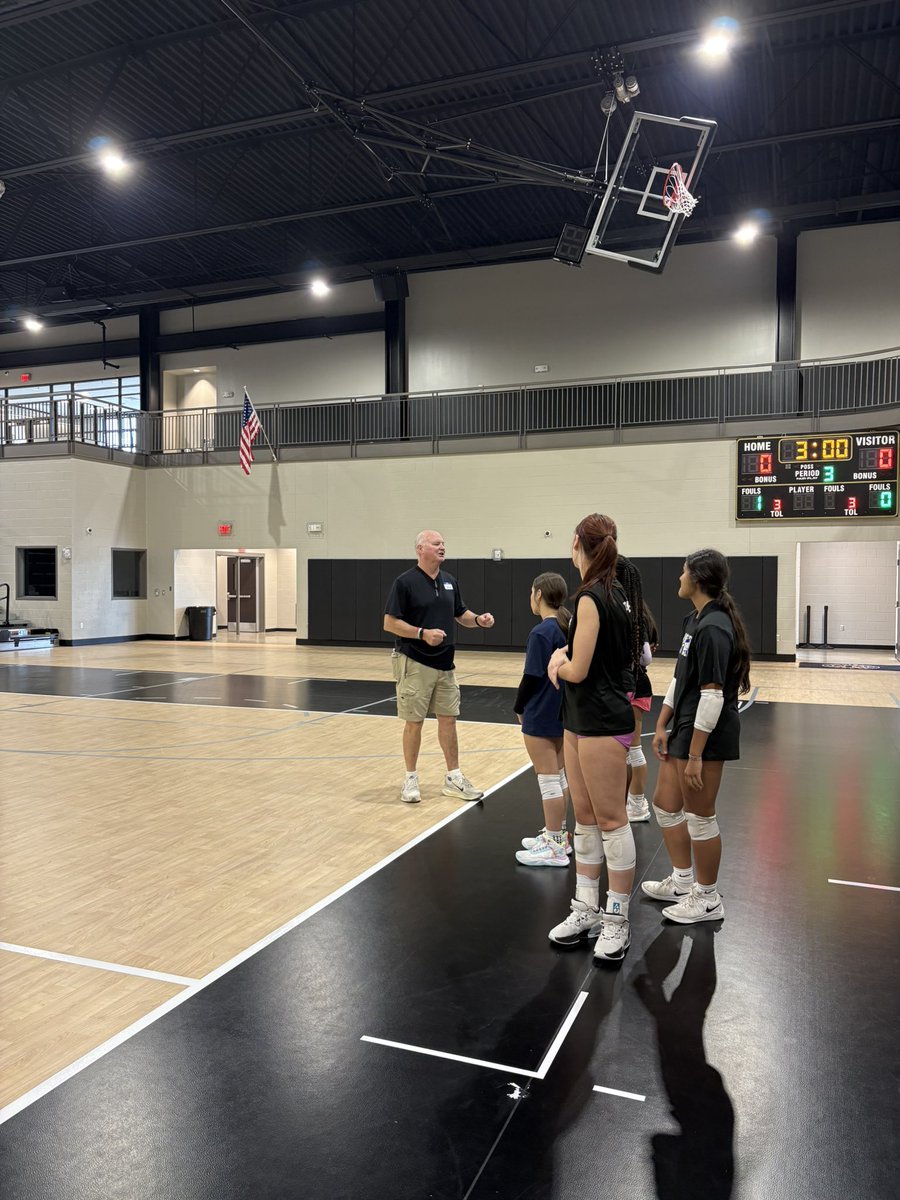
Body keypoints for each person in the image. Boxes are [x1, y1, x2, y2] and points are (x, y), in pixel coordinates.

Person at [546, 513, 640, 962]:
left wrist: (555, 665)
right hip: (579, 718)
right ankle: (587, 908)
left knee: (610, 820)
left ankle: (617, 920)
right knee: (584, 817)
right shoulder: (617, 592)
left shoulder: (592, 596)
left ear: (578, 544)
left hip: (602, 720)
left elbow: (579, 669)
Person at [642, 549, 752, 923]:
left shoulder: (715, 628)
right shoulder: (695, 619)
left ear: (699, 579)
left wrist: (694, 755)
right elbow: (680, 678)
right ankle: (682, 880)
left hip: (707, 736)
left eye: (683, 572)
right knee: (665, 804)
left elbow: (713, 695)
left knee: (700, 816)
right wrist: (662, 721)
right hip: (686, 728)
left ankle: (707, 898)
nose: (679, 578)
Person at [383, 530, 495, 804]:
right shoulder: (405, 582)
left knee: (449, 719)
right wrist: (422, 633)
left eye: (443, 543)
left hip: (446, 663)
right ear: (421, 549)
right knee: (414, 722)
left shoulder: (449, 581)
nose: (442, 547)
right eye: (436, 544)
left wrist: (478, 620)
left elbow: (461, 614)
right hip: (414, 661)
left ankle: (453, 777)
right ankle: (410, 778)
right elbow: (390, 623)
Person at [514, 572, 572, 868]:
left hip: (539, 711)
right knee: (560, 778)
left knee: (548, 781)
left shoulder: (541, 632)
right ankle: (558, 837)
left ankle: (554, 846)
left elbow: (531, 676)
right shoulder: (567, 625)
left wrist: (519, 706)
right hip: (561, 712)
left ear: (538, 594)